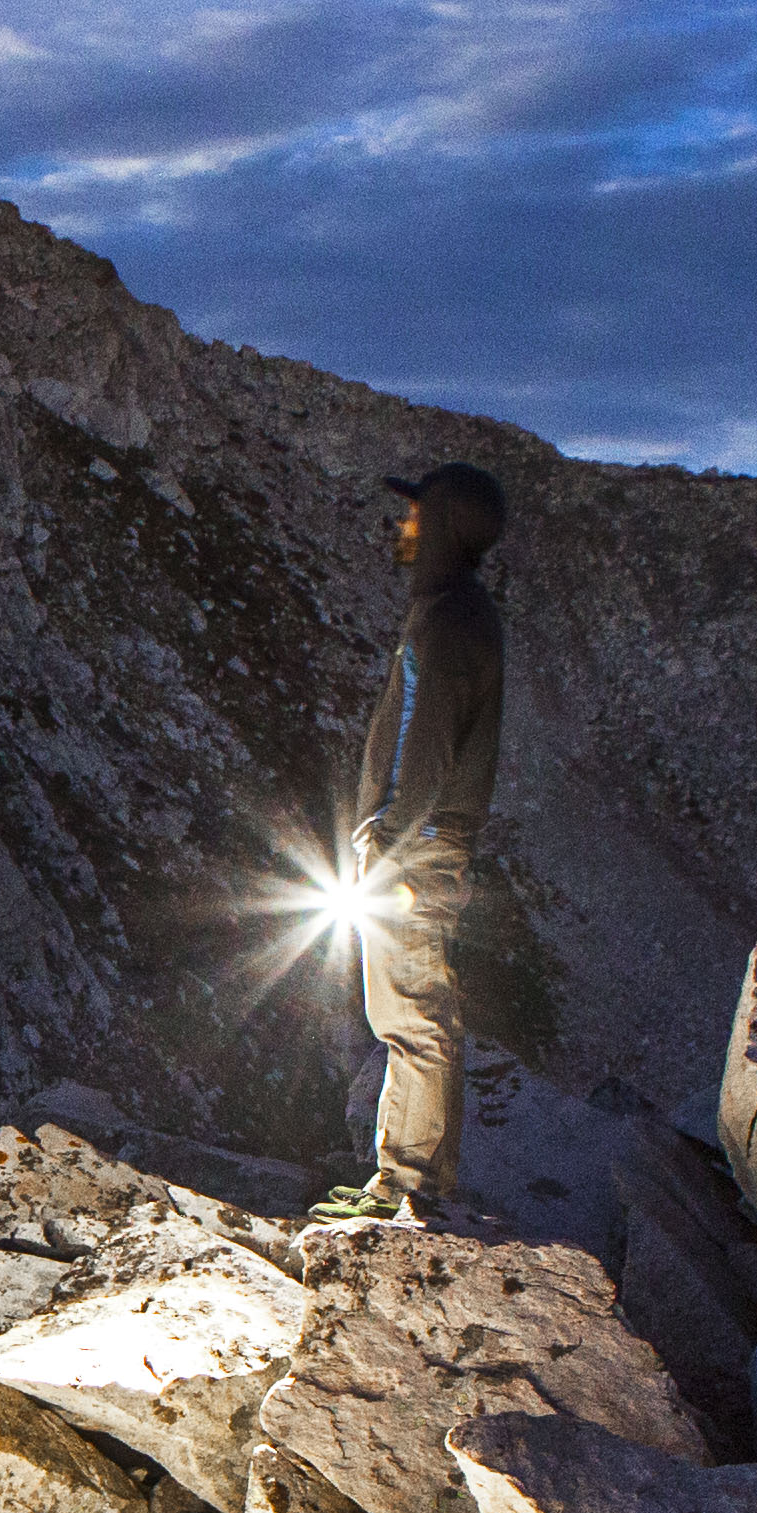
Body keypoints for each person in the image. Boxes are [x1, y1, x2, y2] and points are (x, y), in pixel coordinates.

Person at [311, 459, 508, 1227]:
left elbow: (419, 747)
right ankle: (401, 1180)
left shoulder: (447, 621)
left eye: (417, 518)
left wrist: (381, 847)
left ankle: (410, 1189)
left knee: (412, 1015)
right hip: (427, 848)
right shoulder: (461, 614)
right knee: (411, 1013)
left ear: (447, 528)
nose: (402, 530)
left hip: (413, 853)